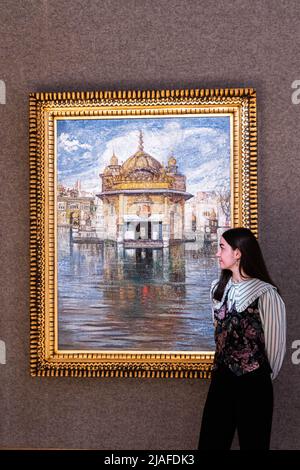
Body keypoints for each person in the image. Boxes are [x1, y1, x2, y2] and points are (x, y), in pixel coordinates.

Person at [198, 227, 286, 450]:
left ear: (238, 253)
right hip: (221, 381)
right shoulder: (217, 290)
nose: (217, 253)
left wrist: (257, 376)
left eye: (222, 248)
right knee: (210, 444)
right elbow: (219, 334)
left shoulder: (266, 293)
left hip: (254, 385)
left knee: (254, 446)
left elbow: (276, 349)